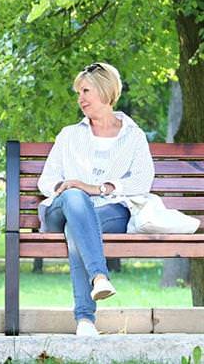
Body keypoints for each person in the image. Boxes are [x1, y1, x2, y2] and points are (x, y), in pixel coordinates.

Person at [37, 62, 154, 336]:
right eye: (79, 92)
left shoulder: (134, 137)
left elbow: (142, 181)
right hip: (62, 209)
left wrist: (98, 188)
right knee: (76, 201)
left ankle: (85, 321)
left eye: (86, 91)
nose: (81, 99)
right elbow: (46, 179)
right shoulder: (69, 135)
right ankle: (99, 277)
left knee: (77, 228)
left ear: (105, 91)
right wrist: (69, 188)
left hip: (110, 211)